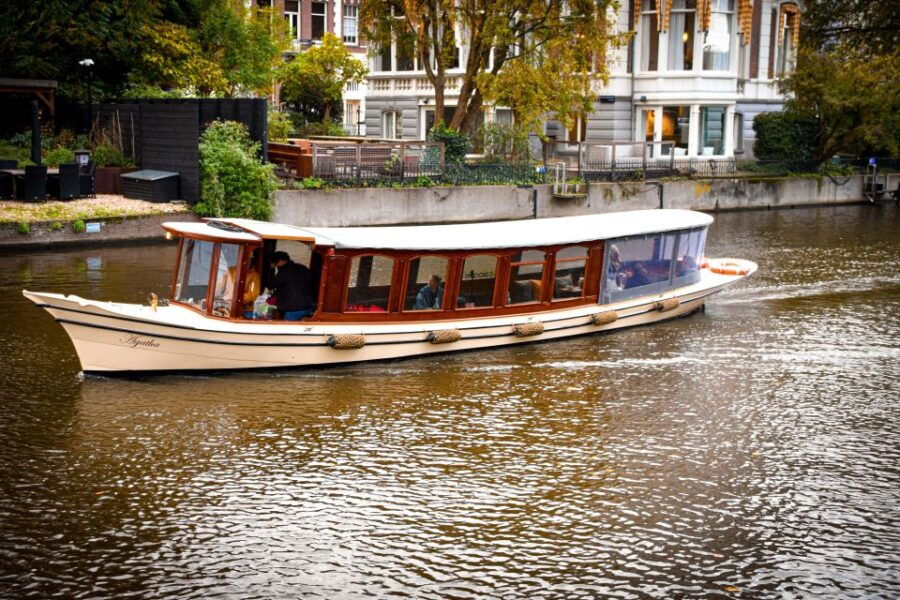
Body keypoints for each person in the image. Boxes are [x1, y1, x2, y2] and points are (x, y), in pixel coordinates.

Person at [269, 251, 315, 321]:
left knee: (288, 330)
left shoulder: (283, 272)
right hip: (308, 306)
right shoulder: (303, 267)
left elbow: (272, 285)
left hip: (292, 309)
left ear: (281, 261)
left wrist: (271, 270)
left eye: (275, 263)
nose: (275, 265)